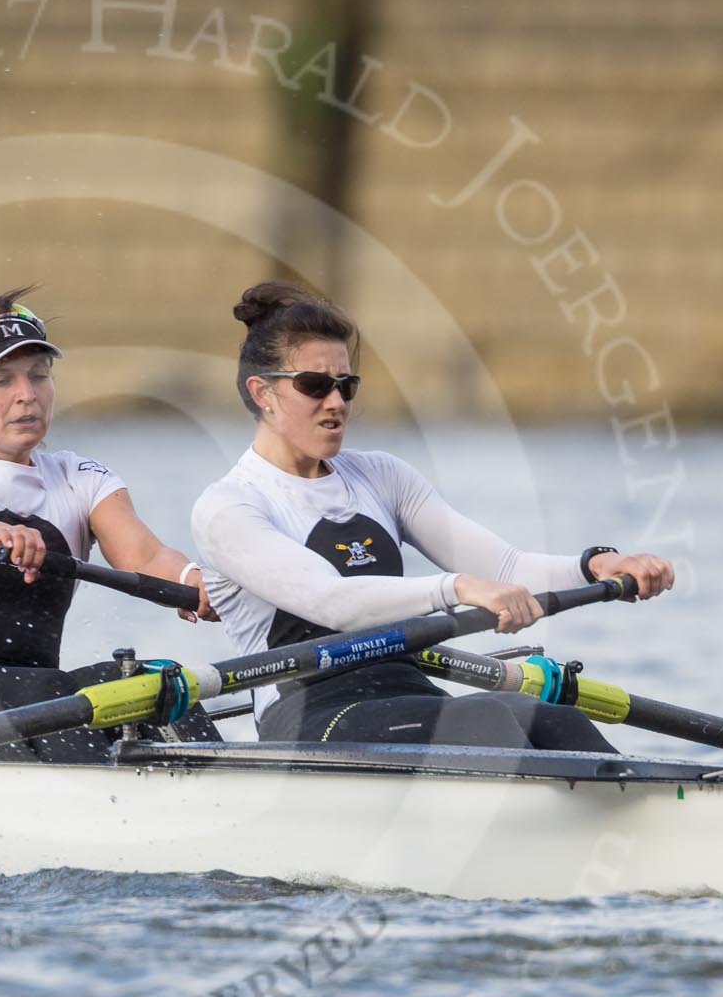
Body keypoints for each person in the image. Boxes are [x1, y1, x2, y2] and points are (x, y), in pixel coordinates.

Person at [191, 281, 674, 750]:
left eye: (346, 385)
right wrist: (457, 587)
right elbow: (331, 601)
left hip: (409, 695)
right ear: (262, 393)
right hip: (310, 716)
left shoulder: (381, 476)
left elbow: (505, 568)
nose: (336, 402)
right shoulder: (230, 507)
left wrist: (594, 566)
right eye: (314, 385)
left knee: (551, 717)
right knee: (491, 715)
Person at [0, 287, 218, 761]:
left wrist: (194, 580)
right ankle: (103, 806)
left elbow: (148, 557)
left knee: (160, 685)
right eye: (1, 381)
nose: (26, 394)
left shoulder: (82, 479)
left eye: (39, 376)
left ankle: (232, 802)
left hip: (34, 697)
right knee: (46, 691)